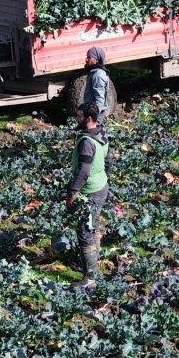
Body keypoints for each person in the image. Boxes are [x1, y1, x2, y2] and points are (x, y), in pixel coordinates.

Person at [65, 102, 110, 290]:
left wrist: (72, 193)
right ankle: (92, 266)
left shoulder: (86, 142)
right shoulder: (101, 133)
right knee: (93, 225)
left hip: (90, 192)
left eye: (79, 116)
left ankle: (90, 278)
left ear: (88, 119)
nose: (77, 118)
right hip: (101, 186)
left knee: (85, 232)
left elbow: (83, 172)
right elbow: (109, 159)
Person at [82, 46, 112, 123]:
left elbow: (100, 99)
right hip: (93, 114)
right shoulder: (94, 73)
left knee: (94, 134)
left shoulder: (98, 75)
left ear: (96, 60)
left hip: (96, 116)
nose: (86, 59)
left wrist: (93, 118)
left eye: (89, 57)